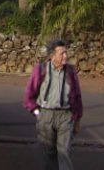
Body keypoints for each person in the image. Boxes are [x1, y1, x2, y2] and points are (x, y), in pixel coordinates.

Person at [24, 38, 83, 170]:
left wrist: (77, 119)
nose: (65, 56)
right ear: (52, 55)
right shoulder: (40, 70)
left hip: (65, 116)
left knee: (64, 152)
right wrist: (37, 113)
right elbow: (29, 95)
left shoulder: (70, 72)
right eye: (62, 53)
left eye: (66, 52)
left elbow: (77, 96)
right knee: (48, 154)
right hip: (45, 115)